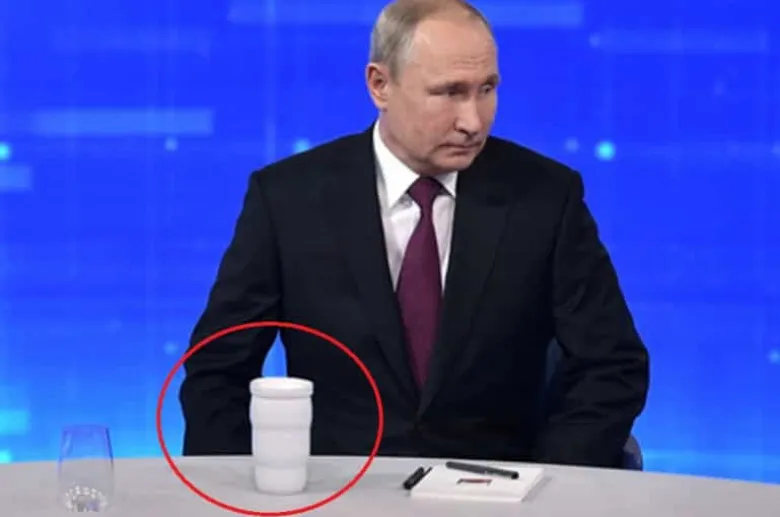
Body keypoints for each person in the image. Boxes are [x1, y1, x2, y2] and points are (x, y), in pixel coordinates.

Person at [179, 0, 650, 468]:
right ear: (380, 85)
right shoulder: (288, 200)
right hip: (336, 489)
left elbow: (612, 367)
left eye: (486, 89)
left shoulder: (545, 198)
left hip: (499, 489)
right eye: (449, 92)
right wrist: (243, 488)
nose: (473, 121)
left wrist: (548, 480)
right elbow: (217, 370)